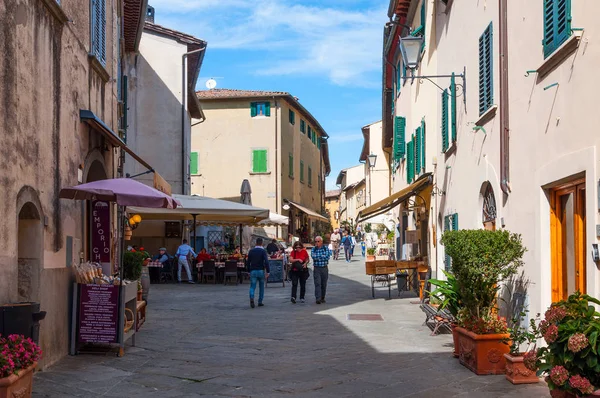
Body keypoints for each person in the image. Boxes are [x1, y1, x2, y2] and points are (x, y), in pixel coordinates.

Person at [246, 238, 270, 308]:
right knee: (261, 287)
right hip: (261, 271)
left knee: (252, 286)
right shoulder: (263, 251)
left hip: (253, 271)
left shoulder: (251, 251)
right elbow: (266, 261)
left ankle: (251, 296)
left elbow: (248, 262)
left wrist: (248, 271)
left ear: (256, 243)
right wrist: (268, 271)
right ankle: (260, 301)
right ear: (261, 243)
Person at [311, 236, 331, 304]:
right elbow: (313, 256)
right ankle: (318, 298)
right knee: (317, 283)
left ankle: (322, 297)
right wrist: (322, 256)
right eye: (316, 241)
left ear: (321, 242)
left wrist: (319, 257)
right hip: (317, 268)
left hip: (324, 268)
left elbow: (327, 257)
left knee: (323, 284)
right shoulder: (314, 249)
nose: (317, 243)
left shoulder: (326, 248)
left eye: (318, 241)